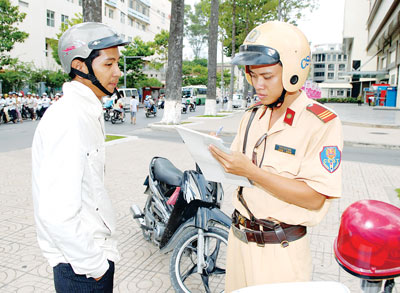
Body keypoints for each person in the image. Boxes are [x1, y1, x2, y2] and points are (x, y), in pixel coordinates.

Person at [209, 21, 343, 291]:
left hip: (280, 253)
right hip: (238, 242)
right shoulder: (253, 115)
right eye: (252, 75)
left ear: (293, 72)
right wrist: (216, 154)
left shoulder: (321, 123)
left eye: (267, 76)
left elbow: (315, 197)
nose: (257, 85)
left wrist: (252, 172)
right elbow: (238, 169)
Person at [32, 22, 129, 293]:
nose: (117, 73)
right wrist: (95, 266)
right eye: (108, 64)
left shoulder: (86, 111)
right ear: (80, 66)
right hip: (81, 268)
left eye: (117, 64)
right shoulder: (68, 119)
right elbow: (56, 213)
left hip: (89, 258)